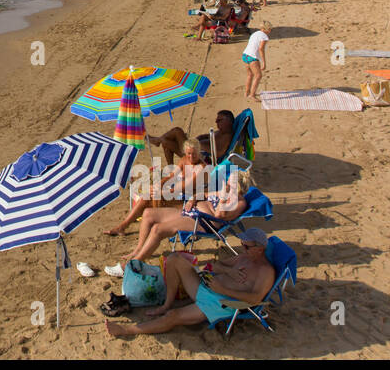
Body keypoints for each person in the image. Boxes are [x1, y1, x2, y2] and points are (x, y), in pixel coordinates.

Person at [105, 229, 277, 338]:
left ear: (260, 249)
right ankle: (167, 304)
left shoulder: (266, 272)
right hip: (207, 287)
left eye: (246, 246)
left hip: (219, 303)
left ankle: (126, 330)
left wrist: (222, 289)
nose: (242, 248)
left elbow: (255, 299)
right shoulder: (243, 258)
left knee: (173, 317)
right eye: (242, 244)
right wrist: (228, 271)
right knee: (174, 259)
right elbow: (216, 265)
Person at [103, 168, 250, 272]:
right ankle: (137, 250)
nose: (226, 185)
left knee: (158, 229)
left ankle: (133, 264)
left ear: (239, 188)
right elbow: (204, 194)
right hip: (192, 212)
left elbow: (219, 215)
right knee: (148, 213)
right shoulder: (224, 193)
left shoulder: (239, 203)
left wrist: (222, 198)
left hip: (203, 222)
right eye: (227, 183)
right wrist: (193, 199)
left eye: (230, 184)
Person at [107, 141, 206, 236]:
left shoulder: (201, 167)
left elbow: (185, 186)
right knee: (147, 196)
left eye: (194, 154)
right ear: (185, 152)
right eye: (189, 153)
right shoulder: (184, 160)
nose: (191, 157)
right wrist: (159, 184)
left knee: (156, 196)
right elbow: (171, 176)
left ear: (199, 152)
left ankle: (153, 223)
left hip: (190, 201)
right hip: (177, 194)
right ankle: (122, 226)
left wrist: (163, 192)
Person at [243, 24, 271, 100]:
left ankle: (247, 93)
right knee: (258, 76)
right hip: (252, 57)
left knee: (250, 75)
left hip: (245, 55)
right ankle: (252, 95)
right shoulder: (264, 37)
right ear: (266, 29)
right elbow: (261, 49)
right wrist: (264, 62)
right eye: (269, 29)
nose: (270, 31)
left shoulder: (255, 33)